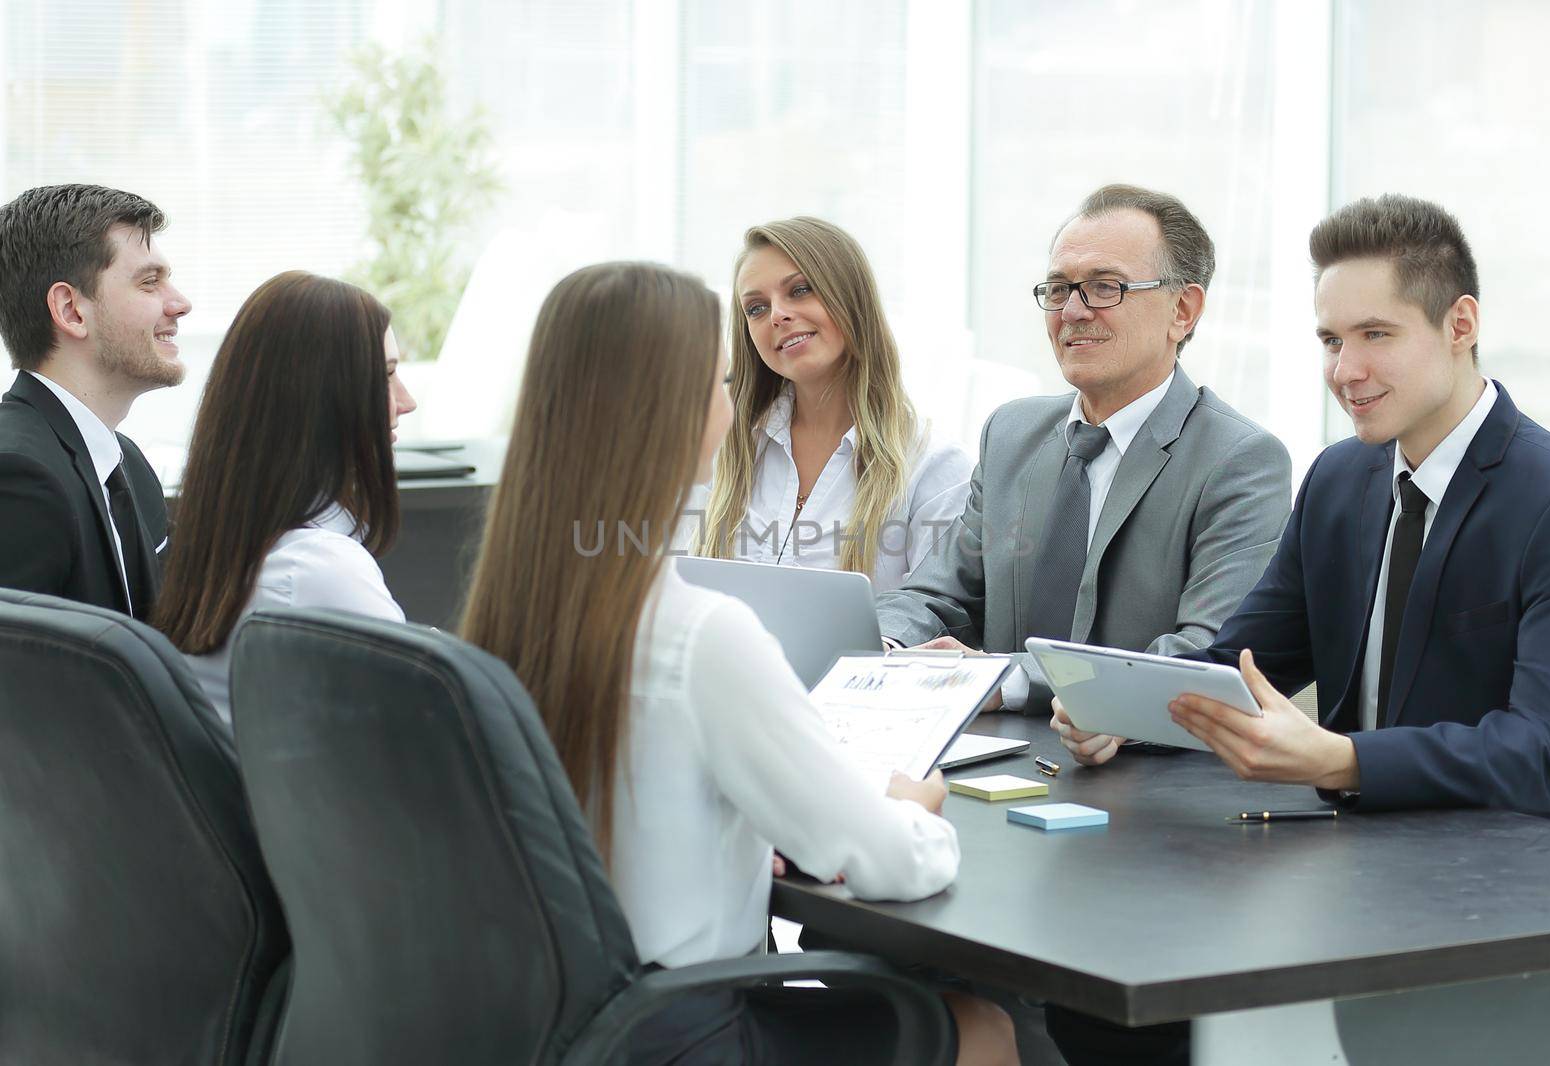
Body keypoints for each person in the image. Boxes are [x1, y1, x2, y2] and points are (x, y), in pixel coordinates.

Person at [458, 261, 1017, 1065]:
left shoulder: (512, 611)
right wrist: (914, 810)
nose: (735, 400)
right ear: (675, 412)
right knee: (984, 1029)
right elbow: (889, 862)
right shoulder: (699, 633)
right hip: (677, 1032)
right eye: (720, 381)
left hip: (549, 1018)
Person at [1151, 194, 1550, 826]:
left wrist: (1343, 759)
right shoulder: (1338, 478)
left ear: (1460, 326)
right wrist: (1121, 713)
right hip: (1355, 860)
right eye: (1331, 340)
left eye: (1376, 335)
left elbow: (1543, 753)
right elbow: (1245, 664)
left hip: (1513, 880)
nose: (1345, 370)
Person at [878, 184, 1292, 716]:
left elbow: (1203, 656)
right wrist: (889, 647)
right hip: (991, 756)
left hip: (1144, 771)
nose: (1072, 311)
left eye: (1104, 287)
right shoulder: (1012, 434)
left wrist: (1015, 680)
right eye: (1058, 289)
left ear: (1183, 311)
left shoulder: (1239, 460)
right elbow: (940, 596)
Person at [150, 271, 415, 725]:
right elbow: (428, 740)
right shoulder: (317, 569)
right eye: (386, 376)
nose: (406, 402)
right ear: (326, 399)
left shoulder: (235, 547)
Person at [695, 217, 972, 591]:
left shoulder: (933, 466)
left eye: (799, 290)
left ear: (850, 297)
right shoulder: (721, 455)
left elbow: (935, 614)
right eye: (756, 308)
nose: (777, 315)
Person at [0, 184, 191, 619]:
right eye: (149, 282)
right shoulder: (15, 474)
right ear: (71, 311)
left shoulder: (130, 466)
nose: (180, 304)